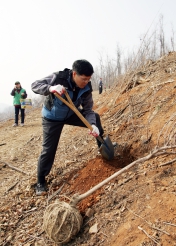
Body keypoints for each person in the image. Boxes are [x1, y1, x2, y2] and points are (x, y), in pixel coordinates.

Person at [31, 59, 106, 195]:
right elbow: (35, 85)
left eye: (88, 79)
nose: (86, 82)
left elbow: (88, 109)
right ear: (74, 74)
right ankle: (40, 181)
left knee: (95, 118)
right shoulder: (58, 78)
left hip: (71, 113)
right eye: (83, 79)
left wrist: (93, 125)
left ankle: (102, 147)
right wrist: (50, 88)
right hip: (52, 118)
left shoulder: (86, 87)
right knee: (48, 149)